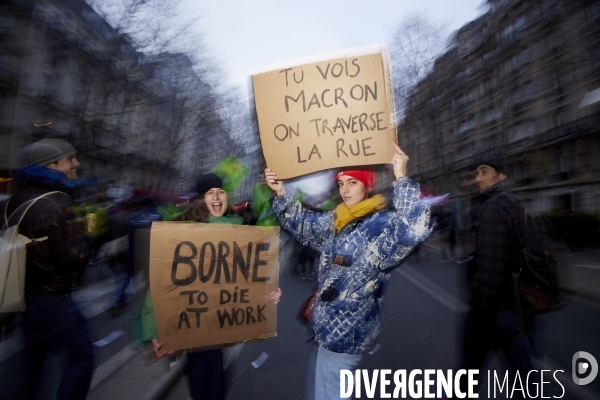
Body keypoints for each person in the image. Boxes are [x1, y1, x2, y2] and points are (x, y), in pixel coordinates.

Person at [265, 142, 430, 400]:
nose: (345, 190)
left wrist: (401, 177)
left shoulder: (379, 225)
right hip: (325, 331)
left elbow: (413, 231)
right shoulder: (337, 219)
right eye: (342, 183)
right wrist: (281, 192)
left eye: (353, 183)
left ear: (367, 185)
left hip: (346, 336)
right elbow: (301, 226)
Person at [141, 173, 281, 400]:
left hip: (221, 323)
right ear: (200, 200)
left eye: (221, 191)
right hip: (195, 326)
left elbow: (247, 278)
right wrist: (154, 331)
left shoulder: (238, 230)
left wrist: (266, 294)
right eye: (209, 193)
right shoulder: (180, 232)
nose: (216, 197)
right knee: (208, 383)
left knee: (216, 382)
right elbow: (158, 284)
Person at [4, 138, 93, 400]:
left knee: (34, 365)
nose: (75, 163)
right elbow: (67, 257)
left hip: (25, 296)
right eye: (69, 159)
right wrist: (83, 242)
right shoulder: (57, 202)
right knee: (83, 355)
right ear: (52, 164)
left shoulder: (16, 198)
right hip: (53, 297)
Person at [457, 159, 541, 397]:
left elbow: (491, 270)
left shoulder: (494, 207)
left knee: (467, 375)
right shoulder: (518, 202)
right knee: (524, 380)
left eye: (484, 172)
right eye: (476, 173)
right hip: (519, 309)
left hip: (495, 312)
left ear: (501, 176)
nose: (478, 178)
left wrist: (481, 316)